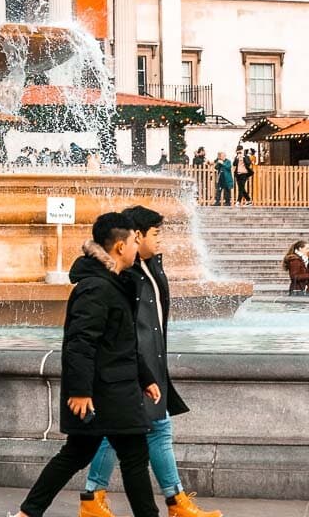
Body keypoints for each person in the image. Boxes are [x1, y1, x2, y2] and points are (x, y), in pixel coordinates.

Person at [10, 212, 161, 517]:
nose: (137, 246)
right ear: (119, 246)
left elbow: (123, 339)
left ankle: (29, 512)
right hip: (107, 389)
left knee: (78, 452)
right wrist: (80, 391)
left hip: (114, 385)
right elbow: (79, 343)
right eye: (134, 240)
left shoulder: (115, 283)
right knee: (132, 456)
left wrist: (145, 377)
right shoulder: (97, 288)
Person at [82, 205, 221, 517]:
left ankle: (169, 501)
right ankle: (98, 496)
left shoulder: (151, 267)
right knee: (137, 430)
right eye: (155, 234)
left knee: (152, 429)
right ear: (136, 236)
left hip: (152, 364)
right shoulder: (123, 274)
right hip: (132, 368)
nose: (161, 241)